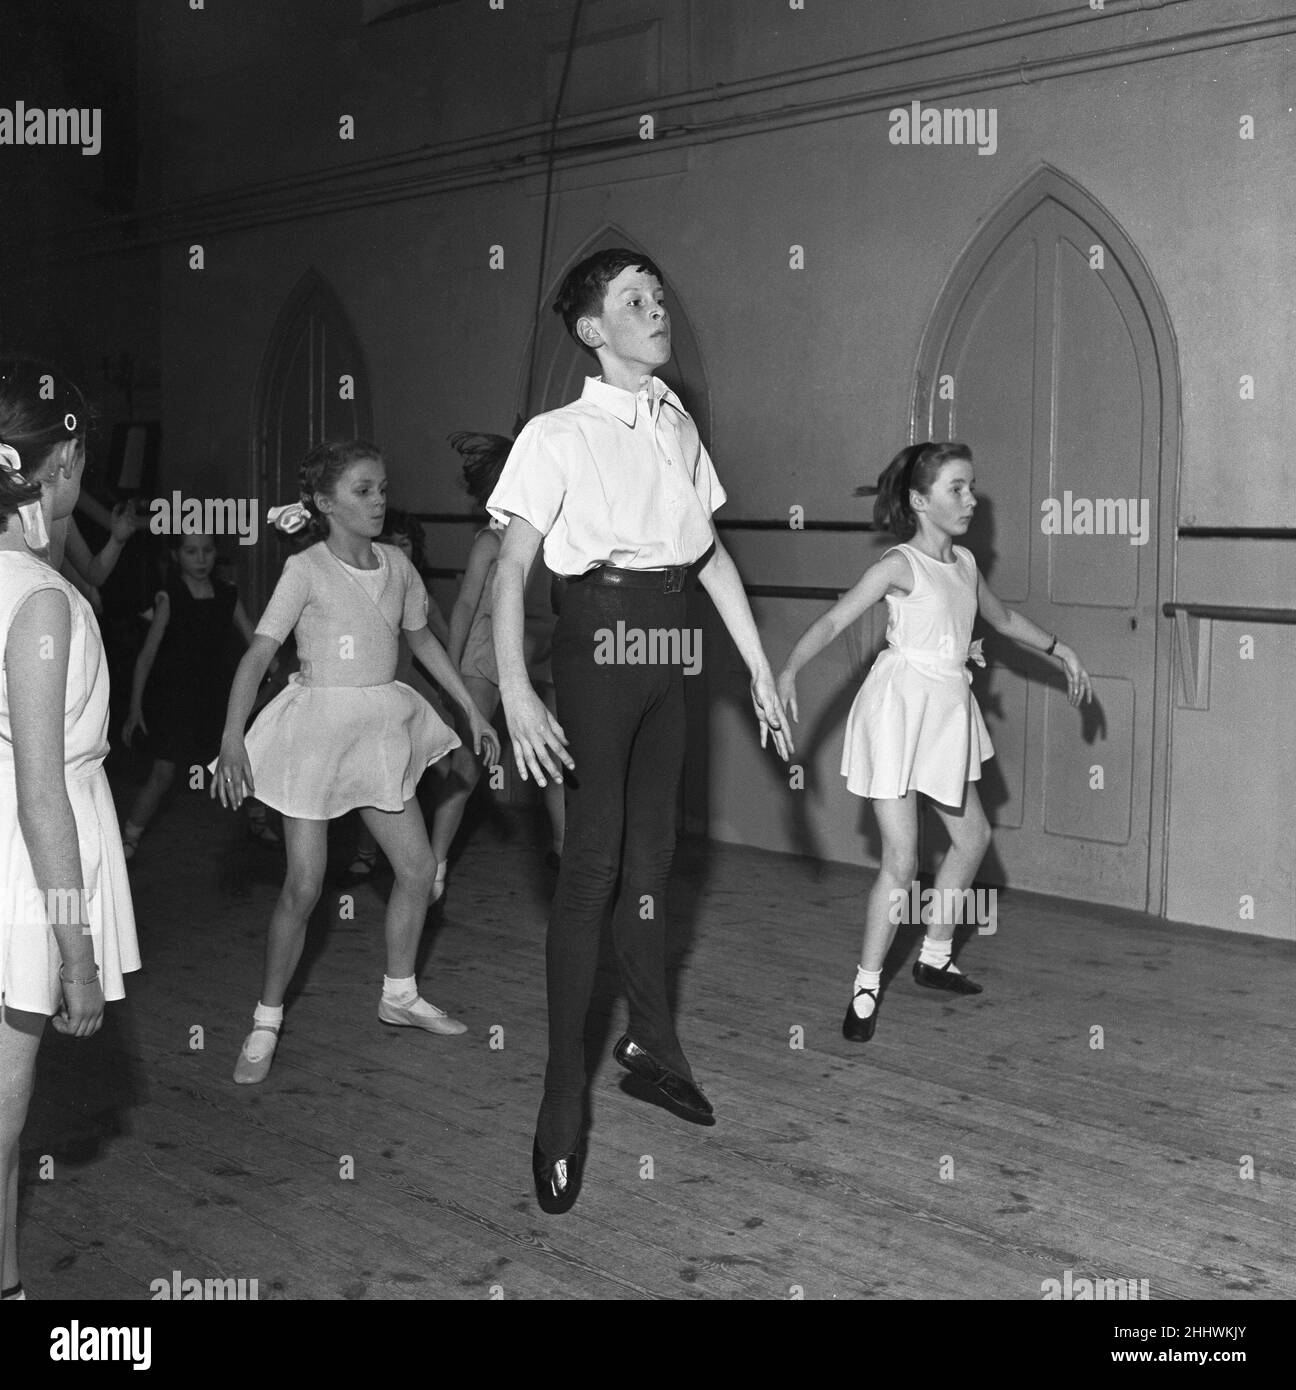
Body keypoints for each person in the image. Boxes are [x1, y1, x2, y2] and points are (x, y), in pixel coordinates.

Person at [488, 247, 792, 1215]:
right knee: (593, 868)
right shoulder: (556, 433)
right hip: (599, 640)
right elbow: (511, 570)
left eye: (659, 295)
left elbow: (710, 559)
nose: (657, 309)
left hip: (673, 647)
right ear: (591, 330)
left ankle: (652, 1047)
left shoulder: (675, 420)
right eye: (633, 300)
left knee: (655, 862)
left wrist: (759, 667)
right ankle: (560, 1100)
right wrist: (516, 693)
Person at [776, 441, 1093, 1043]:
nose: (971, 498)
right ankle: (866, 986)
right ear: (920, 501)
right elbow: (835, 620)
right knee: (901, 862)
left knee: (972, 838)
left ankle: (935, 955)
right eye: (957, 488)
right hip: (899, 711)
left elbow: (999, 621)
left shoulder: (966, 565)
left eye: (971, 486)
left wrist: (1060, 649)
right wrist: (788, 670)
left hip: (946, 709)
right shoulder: (899, 564)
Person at [211, 440, 499, 1085]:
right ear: (323, 503)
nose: (379, 501)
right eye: (363, 491)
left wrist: (471, 712)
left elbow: (421, 638)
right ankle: (266, 1019)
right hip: (318, 736)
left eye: (382, 488)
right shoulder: (305, 569)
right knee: (305, 887)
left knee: (420, 866)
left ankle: (400, 994)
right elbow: (258, 654)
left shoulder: (397, 565)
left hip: (377, 733)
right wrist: (233, 738)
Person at [0, 358, 141, 1300]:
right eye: (77, 466)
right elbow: (43, 791)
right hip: (30, 861)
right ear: (58, 473)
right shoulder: (41, 598)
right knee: (6, 1108)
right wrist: (76, 952)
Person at [427, 432, 563, 898]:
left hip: (538, 656)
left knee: (555, 761)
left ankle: (564, 852)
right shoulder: (490, 541)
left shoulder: (552, 535)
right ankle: (434, 863)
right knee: (468, 765)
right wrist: (452, 670)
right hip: (485, 657)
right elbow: (464, 606)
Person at [119, 533, 262, 861]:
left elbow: (255, 639)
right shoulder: (170, 597)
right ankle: (129, 836)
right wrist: (135, 708)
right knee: (164, 772)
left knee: (243, 757)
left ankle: (257, 820)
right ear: (176, 555)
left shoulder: (228, 594)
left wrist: (274, 661)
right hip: (176, 697)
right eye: (191, 551)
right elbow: (146, 656)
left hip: (216, 694)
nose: (201, 559)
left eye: (208, 551)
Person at [339, 508, 456, 887]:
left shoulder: (416, 589)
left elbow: (442, 638)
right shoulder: (363, 587)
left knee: (430, 771)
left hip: (412, 691)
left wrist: (453, 686)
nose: (397, 548)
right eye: (391, 541)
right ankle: (368, 851)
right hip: (376, 691)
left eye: (405, 542)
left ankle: (424, 857)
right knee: (378, 776)